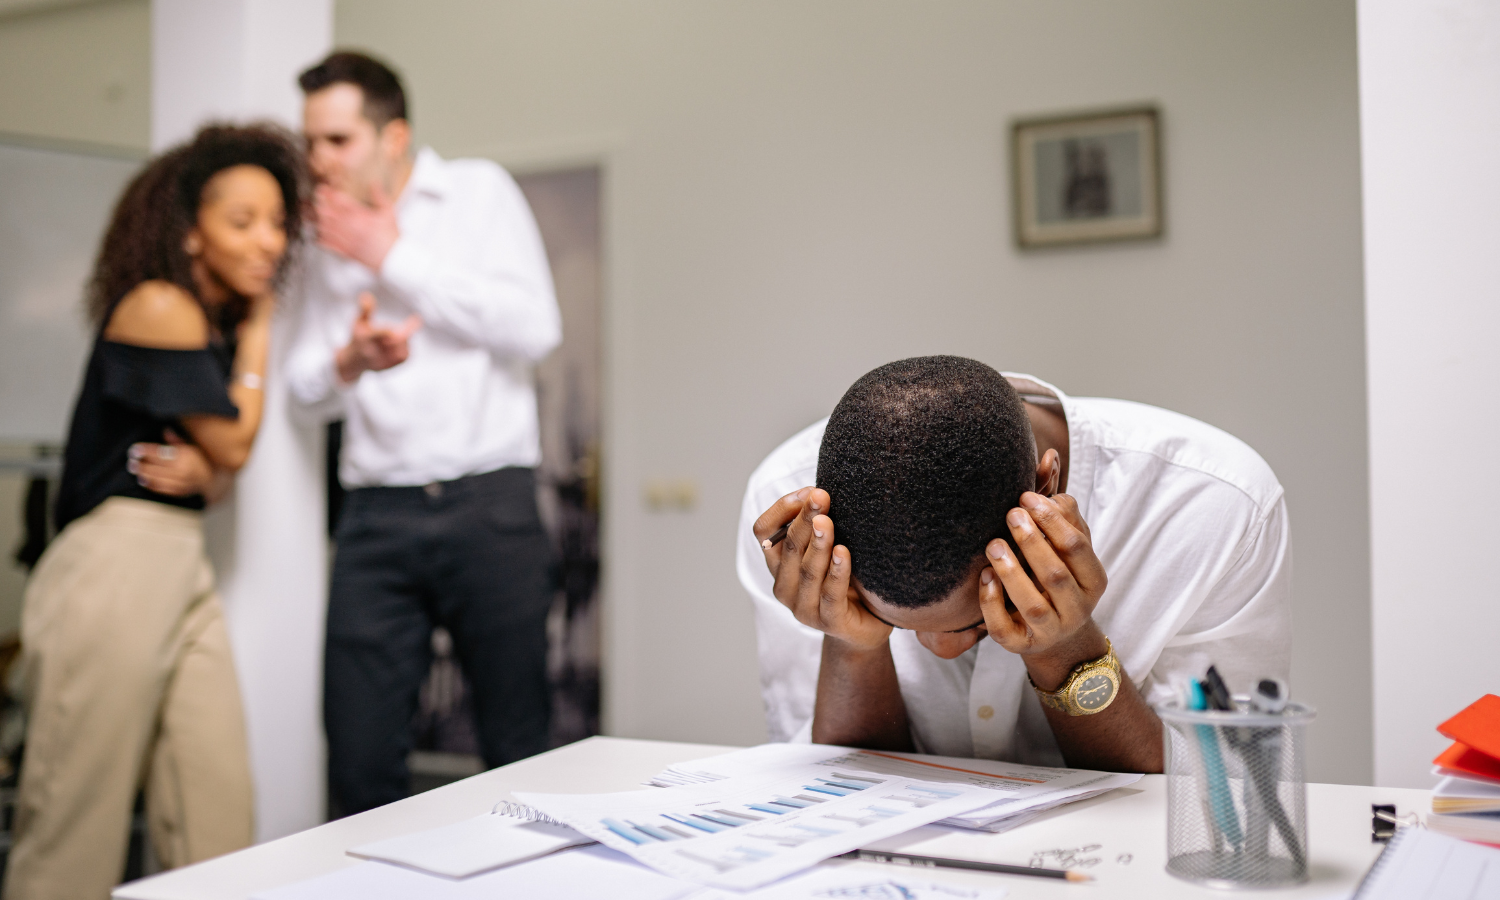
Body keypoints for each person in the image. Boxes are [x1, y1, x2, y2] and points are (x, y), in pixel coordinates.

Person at [5, 124, 306, 900]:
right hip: (113, 564)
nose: (269, 242)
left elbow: (218, 470)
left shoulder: (207, 327)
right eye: (243, 221)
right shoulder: (158, 305)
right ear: (190, 231)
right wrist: (262, 330)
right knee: (74, 828)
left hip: (181, 562)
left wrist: (210, 470)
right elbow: (233, 444)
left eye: (277, 222)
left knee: (217, 819)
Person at [737, 357, 1291, 772]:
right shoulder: (793, 524)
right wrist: (854, 644)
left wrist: (1065, 646)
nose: (942, 648)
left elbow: (1215, 803)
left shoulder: (1215, 506)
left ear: (1047, 488)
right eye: (893, 622)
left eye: (977, 620)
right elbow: (835, 791)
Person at [284, 51, 562, 815]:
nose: (318, 160)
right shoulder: (317, 238)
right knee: (358, 755)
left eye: (337, 141)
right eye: (310, 142)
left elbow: (534, 328)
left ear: (394, 136)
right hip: (376, 517)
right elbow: (301, 395)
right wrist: (348, 362)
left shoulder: (478, 193)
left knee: (518, 745)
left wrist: (390, 256)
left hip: (490, 506)